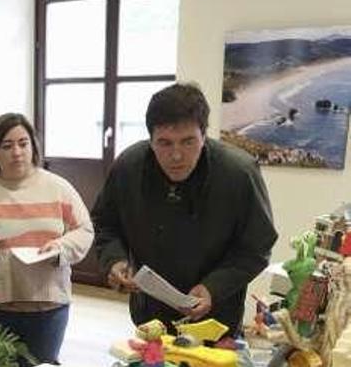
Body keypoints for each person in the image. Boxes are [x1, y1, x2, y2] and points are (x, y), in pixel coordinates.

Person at [91, 82, 278, 335]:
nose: (176, 156)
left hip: (216, 320)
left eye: (188, 142)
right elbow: (105, 224)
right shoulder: (128, 168)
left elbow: (256, 247)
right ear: (151, 139)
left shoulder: (239, 173)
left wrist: (213, 287)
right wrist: (115, 260)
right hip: (149, 317)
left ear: (204, 135)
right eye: (164, 143)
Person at [0, 113, 93, 365]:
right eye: (6, 146)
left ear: (33, 147)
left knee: (43, 363)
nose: (16, 152)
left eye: (23, 143)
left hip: (48, 303)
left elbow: (85, 230)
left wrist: (61, 247)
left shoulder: (58, 186)